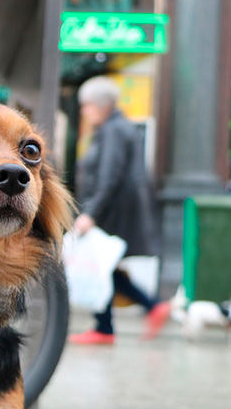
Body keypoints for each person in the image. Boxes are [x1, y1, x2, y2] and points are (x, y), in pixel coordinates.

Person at [69, 76, 169, 344]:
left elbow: (109, 176)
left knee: (103, 267)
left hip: (112, 212)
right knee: (107, 269)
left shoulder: (113, 130)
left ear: (100, 105)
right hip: (116, 210)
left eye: (87, 105)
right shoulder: (116, 127)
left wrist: (91, 214)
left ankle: (116, 322)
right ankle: (115, 322)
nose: (84, 112)